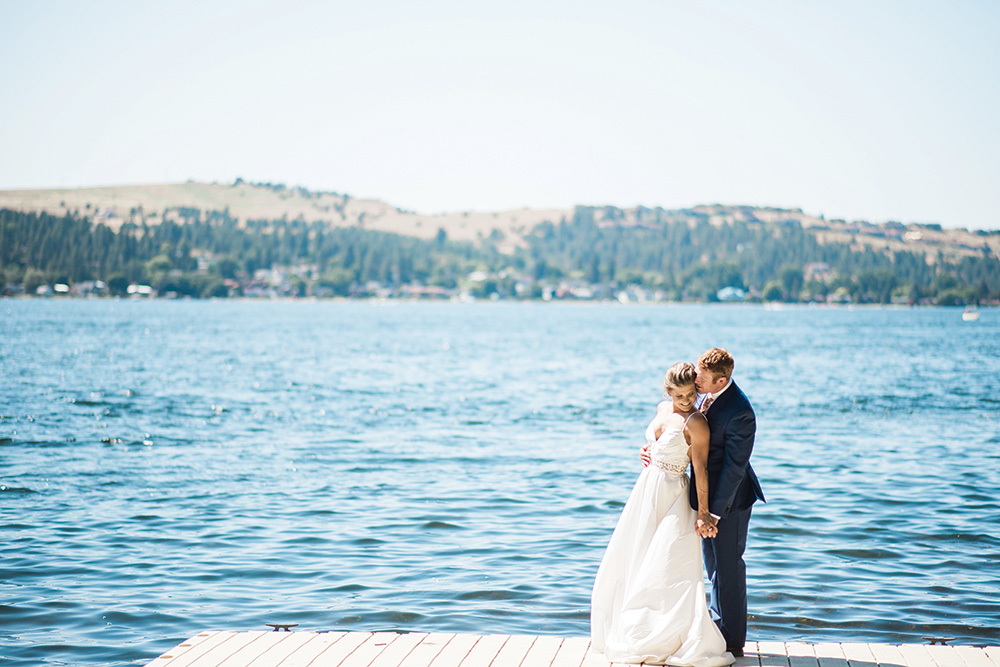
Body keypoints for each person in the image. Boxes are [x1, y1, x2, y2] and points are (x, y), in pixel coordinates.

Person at [590, 362, 734, 666]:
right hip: (645, 492)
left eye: (690, 394)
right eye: (679, 395)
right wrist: (647, 450)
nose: (686, 401)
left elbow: (700, 469)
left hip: (673, 496)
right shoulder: (661, 408)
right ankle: (631, 623)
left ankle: (666, 632)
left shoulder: (696, 422)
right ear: (667, 392)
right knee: (635, 556)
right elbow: (657, 441)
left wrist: (704, 514)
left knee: (666, 565)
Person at [689, 348, 764, 657]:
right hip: (707, 498)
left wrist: (713, 513)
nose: (696, 379)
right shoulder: (705, 396)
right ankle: (719, 628)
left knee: (729, 568)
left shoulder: (740, 412)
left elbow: (734, 468)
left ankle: (733, 641)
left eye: (702, 377)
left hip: (730, 501)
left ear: (721, 380)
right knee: (713, 566)